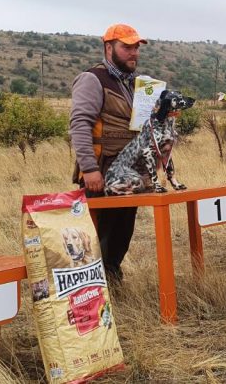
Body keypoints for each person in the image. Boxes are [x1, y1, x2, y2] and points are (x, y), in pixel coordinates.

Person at [70, 23, 147, 281]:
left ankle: (112, 281)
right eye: (127, 47)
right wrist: (89, 169)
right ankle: (91, 288)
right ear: (108, 47)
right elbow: (80, 124)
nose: (134, 52)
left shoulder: (135, 84)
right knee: (98, 235)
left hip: (129, 174)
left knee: (122, 232)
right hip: (101, 172)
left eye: (136, 47)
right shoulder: (92, 79)